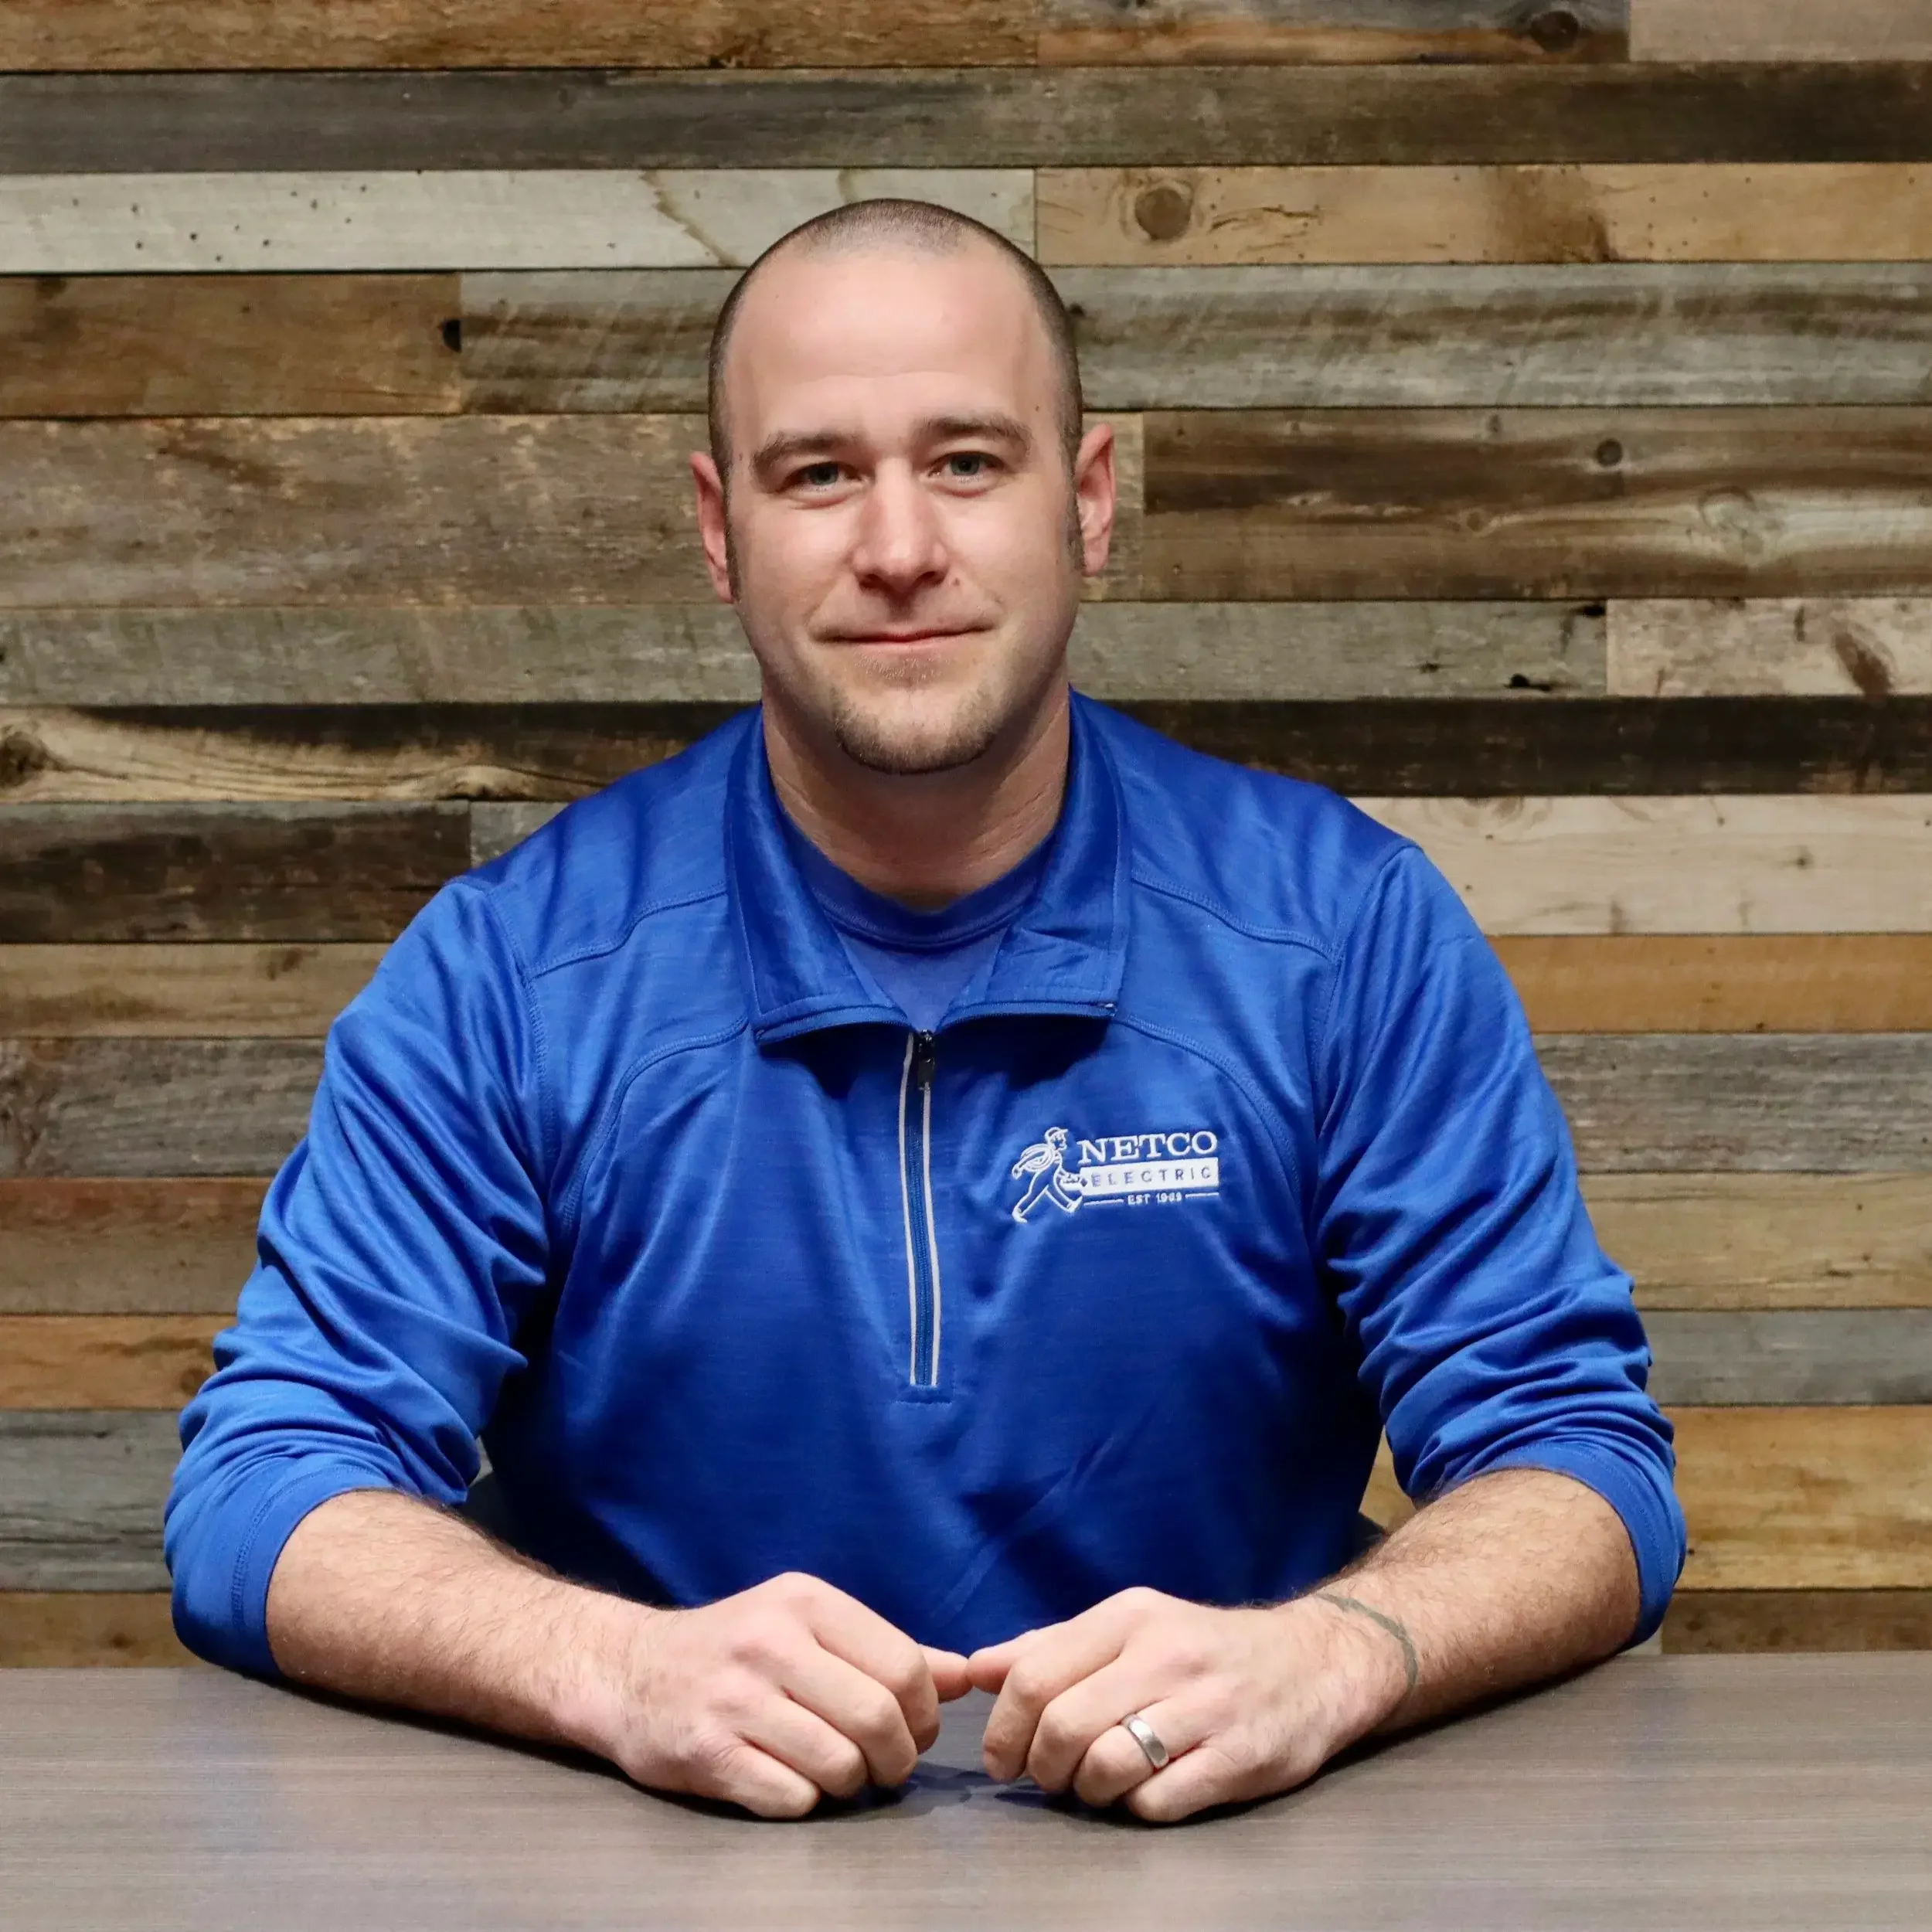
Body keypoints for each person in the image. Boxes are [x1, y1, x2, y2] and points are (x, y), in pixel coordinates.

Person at [165, 199, 1684, 1825]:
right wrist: (614, 1670)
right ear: (717, 525)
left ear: (1084, 501)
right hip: (657, 1869)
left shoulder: (1338, 932)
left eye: (965, 461)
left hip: (1227, 1859)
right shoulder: (511, 972)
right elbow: (261, 1483)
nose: (897, 546)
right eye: (818, 471)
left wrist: (1332, 1655)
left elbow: (1582, 1462)